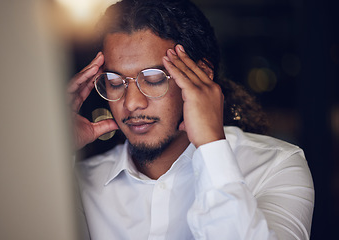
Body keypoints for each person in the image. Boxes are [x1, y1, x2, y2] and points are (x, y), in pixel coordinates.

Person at [68, 0, 314, 239]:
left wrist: (210, 144)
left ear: (201, 76)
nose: (131, 103)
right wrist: (50, 148)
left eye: (153, 79)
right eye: (114, 82)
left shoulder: (275, 167)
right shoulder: (76, 183)